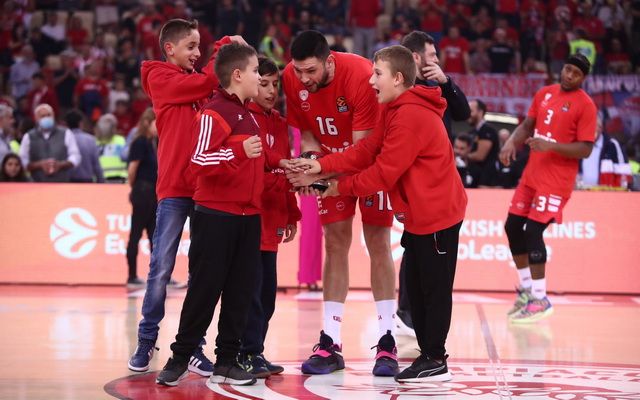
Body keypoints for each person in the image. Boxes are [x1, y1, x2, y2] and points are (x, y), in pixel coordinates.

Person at [291, 45, 467, 382]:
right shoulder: (394, 108)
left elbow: (382, 173)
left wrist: (335, 187)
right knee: (416, 289)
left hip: (438, 214)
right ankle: (428, 354)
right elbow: (366, 150)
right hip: (418, 213)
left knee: (433, 289)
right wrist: (320, 165)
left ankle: (435, 358)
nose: (371, 81)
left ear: (398, 78)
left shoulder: (411, 116)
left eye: (377, 74)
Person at [282, 30, 398, 377]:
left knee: (378, 242)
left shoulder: (361, 76)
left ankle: (387, 339)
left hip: (370, 165)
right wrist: (309, 162)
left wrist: (319, 171)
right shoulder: (291, 77)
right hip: (329, 164)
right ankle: (330, 341)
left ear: (329, 62)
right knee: (334, 243)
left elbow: (362, 151)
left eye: (311, 71)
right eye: (299, 70)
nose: (304, 78)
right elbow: (308, 134)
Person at [128, 18, 235, 376]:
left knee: (199, 275)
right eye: (191, 46)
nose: (197, 53)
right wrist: (223, 45)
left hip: (205, 188)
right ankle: (147, 339)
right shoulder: (159, 77)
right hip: (174, 188)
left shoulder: (197, 82)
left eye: (200, 47)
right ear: (169, 48)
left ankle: (192, 347)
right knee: (161, 268)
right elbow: (206, 80)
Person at [156, 42, 263, 387]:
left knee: (240, 293)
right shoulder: (213, 111)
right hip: (216, 215)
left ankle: (227, 361)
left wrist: (285, 170)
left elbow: (253, 163)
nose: (260, 78)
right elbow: (199, 159)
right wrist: (238, 151)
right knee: (204, 290)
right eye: (255, 71)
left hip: (249, 216)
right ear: (237, 75)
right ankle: (179, 358)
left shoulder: (249, 114)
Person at [500, 53, 597, 323]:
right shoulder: (545, 93)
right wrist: (511, 142)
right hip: (532, 175)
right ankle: (526, 291)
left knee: (533, 231)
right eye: (567, 69)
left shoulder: (586, 105)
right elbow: (527, 125)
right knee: (512, 226)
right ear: (562, 68)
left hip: (556, 180)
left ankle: (540, 299)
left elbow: (586, 149)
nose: (569, 76)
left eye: (576, 74)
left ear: (583, 79)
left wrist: (551, 145)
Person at [396, 30, 471, 336]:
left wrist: (447, 82)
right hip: (412, 182)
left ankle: (429, 338)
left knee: (431, 260)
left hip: (440, 184)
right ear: (416, 57)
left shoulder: (437, 88)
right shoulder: (399, 92)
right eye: (433, 55)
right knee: (412, 249)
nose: (438, 60)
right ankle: (406, 314)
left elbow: (464, 113)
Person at [239, 56, 301, 378]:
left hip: (273, 218)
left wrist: (291, 213)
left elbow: (284, 167)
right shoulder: (243, 118)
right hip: (251, 218)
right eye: (263, 84)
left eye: (275, 84)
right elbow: (256, 170)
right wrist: (278, 174)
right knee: (250, 293)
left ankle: (256, 352)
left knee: (267, 295)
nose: (271, 90)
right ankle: (245, 352)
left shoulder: (278, 122)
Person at [126, 108, 158, 288]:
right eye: (157, 122)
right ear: (147, 122)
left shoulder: (153, 142)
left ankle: (159, 276)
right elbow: (132, 169)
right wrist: (134, 188)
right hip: (143, 190)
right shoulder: (139, 142)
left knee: (155, 235)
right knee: (136, 233)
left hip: (153, 192)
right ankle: (131, 276)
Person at [19, 104, 81, 182]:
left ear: (53, 116)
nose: (46, 118)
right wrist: (40, 165)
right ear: (36, 118)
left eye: (49, 115)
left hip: (62, 182)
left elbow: (75, 156)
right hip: (36, 183)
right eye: (43, 116)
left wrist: (60, 165)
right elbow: (23, 160)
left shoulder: (66, 133)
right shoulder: (28, 136)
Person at [578, 116, 631, 189]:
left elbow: (623, 174)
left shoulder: (612, 145)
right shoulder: (577, 145)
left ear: (601, 128)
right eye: (588, 126)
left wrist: (618, 193)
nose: (592, 129)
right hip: (580, 193)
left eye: (596, 126)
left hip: (605, 193)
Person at [65, 109, 105, 183]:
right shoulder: (90, 140)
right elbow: (96, 165)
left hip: (67, 182)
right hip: (86, 182)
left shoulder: (63, 139)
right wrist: (101, 181)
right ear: (81, 123)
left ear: (66, 124)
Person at [467, 99, 500, 187]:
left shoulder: (487, 130)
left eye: (471, 111)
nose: (468, 114)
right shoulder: (472, 132)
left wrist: (462, 155)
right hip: (475, 177)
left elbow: (480, 156)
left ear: (480, 112)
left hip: (486, 180)